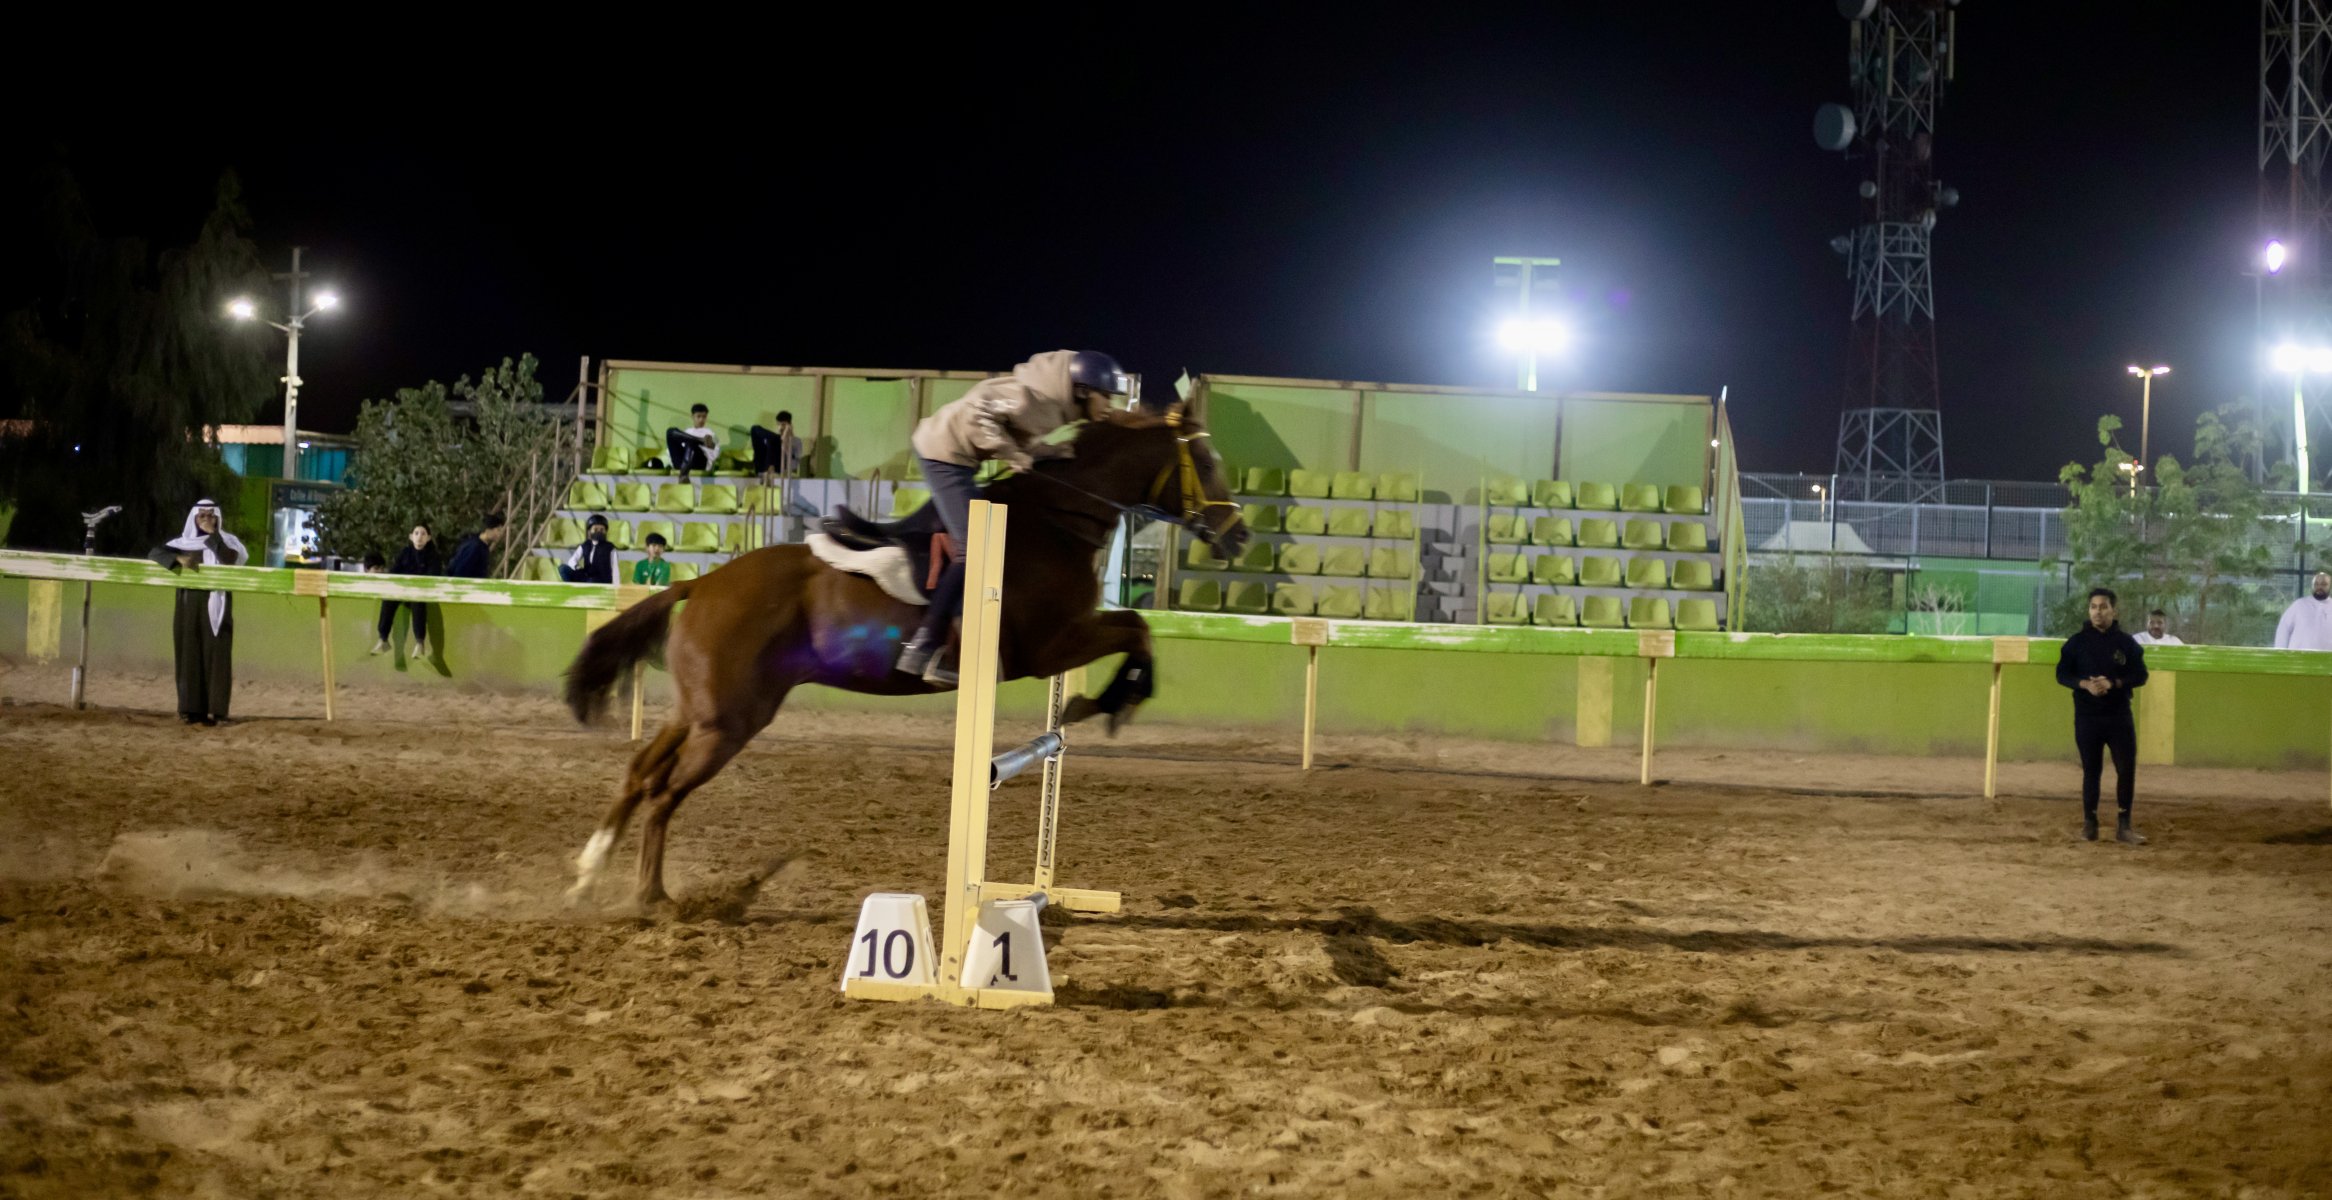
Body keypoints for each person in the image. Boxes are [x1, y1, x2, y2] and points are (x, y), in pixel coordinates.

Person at [877, 350, 1132, 686]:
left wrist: (1045, 452)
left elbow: (1018, 434)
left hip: (961, 459)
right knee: (975, 549)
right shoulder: (1032, 399)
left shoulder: (1056, 407)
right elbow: (977, 414)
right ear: (1083, 391)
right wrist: (1011, 453)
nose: (1110, 405)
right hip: (943, 456)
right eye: (1106, 397)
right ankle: (923, 645)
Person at [2056, 586, 2149, 844]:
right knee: (2091, 770)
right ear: (2089, 611)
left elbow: (2141, 675)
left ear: (2114, 611)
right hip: (2087, 717)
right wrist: (2084, 684)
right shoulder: (2076, 643)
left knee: (2126, 769)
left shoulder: (2127, 644)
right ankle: (2090, 824)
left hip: (2119, 716)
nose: (2098, 612)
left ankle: (2124, 826)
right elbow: (2062, 674)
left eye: (2103, 607)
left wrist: (2114, 683)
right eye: (2093, 607)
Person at [149, 499, 247, 726]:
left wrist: (213, 535)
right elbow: (155, 553)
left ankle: (218, 711)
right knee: (189, 654)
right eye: (201, 515)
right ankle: (190, 710)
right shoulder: (183, 543)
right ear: (194, 518)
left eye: (210, 515)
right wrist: (178, 558)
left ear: (217, 518)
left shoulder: (227, 542)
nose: (206, 519)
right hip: (189, 605)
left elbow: (229, 560)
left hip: (217, 605)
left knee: (218, 655)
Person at [372, 523, 441, 657]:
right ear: (411, 537)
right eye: (416, 533)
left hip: (421, 594)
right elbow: (394, 571)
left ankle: (420, 643)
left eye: (423, 534)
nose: (419, 537)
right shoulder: (405, 553)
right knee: (388, 599)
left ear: (428, 538)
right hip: (403, 592)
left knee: (418, 601)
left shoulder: (433, 556)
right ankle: (383, 639)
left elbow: (433, 576)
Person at [2274, 571, 2332, 650]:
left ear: (2330, 586)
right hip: (2298, 655)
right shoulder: (2299, 605)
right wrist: (2280, 652)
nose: (2319, 587)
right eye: (2316, 584)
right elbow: (2284, 629)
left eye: (2324, 584)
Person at [667, 403, 720, 482]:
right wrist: (701, 442)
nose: (701, 420)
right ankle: (700, 440)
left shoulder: (710, 434)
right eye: (698, 416)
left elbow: (714, 455)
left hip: (699, 463)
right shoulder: (687, 432)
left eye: (704, 417)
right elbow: (673, 451)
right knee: (670, 431)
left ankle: (684, 475)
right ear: (692, 416)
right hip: (681, 463)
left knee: (691, 444)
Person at [444, 512, 506, 579]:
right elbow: (461, 572)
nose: (500, 534)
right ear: (488, 529)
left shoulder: (483, 546)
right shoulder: (475, 546)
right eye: (498, 530)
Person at [560, 513, 616, 584]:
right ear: (589, 531)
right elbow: (572, 560)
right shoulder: (585, 545)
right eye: (595, 529)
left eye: (602, 530)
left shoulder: (610, 547)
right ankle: (572, 588)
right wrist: (578, 568)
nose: (599, 532)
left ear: (606, 531)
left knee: (592, 581)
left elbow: (615, 568)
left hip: (601, 579)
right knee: (563, 569)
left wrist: (615, 584)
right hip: (586, 576)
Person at [751, 410, 803, 481]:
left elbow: (794, 464)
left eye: (783, 424)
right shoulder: (773, 438)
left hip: (779, 468)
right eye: (778, 424)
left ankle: (768, 471)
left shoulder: (796, 441)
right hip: (765, 466)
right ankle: (764, 471)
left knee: (773, 440)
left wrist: (785, 443)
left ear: (790, 425)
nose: (780, 428)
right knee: (754, 429)